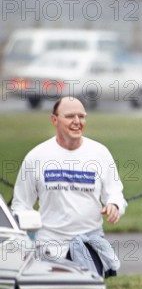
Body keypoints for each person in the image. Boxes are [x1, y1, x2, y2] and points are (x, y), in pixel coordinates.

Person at [11, 96, 126, 276]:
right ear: (54, 120)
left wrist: (114, 205)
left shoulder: (100, 153)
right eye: (70, 116)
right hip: (48, 247)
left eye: (82, 116)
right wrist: (27, 235)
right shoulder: (36, 157)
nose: (77, 122)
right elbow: (20, 204)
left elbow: (116, 193)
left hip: (89, 245)